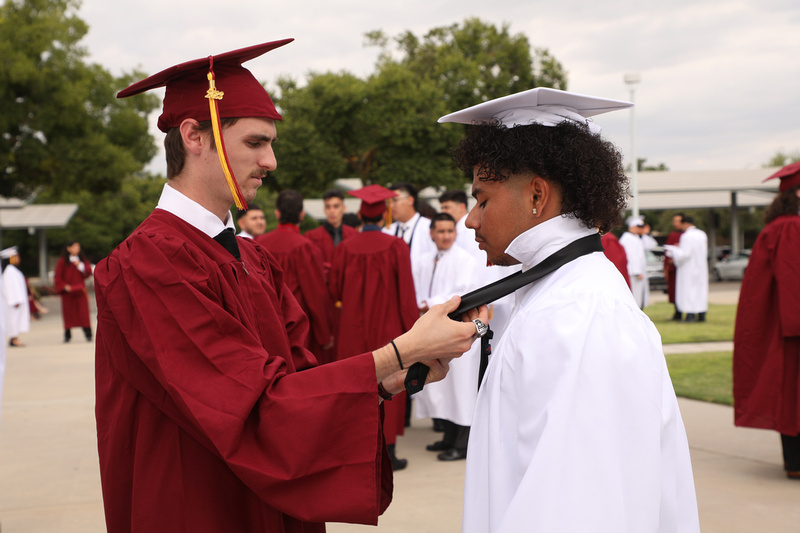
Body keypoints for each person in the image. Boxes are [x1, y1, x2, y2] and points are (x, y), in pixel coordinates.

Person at [94, 41, 486, 532]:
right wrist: (396, 352)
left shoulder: (254, 259)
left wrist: (389, 379)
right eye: (255, 142)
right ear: (195, 135)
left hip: (269, 504)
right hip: (198, 502)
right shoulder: (147, 263)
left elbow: (297, 387)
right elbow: (249, 404)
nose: (272, 160)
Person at [437, 87, 699, 532]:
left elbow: (579, 509)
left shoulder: (577, 313)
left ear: (537, 195)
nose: (470, 220)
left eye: (483, 200)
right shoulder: (556, 291)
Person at [328, 184, 421, 471]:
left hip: (352, 330)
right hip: (388, 330)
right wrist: (413, 332)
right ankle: (387, 451)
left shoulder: (344, 248)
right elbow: (407, 296)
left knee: (356, 383)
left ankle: (355, 451)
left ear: (360, 215)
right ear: (384, 216)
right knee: (388, 383)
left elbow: (335, 291)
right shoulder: (396, 247)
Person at [733, 161, 800, 479]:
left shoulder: (779, 226)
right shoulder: (790, 228)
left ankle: (794, 461)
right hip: (792, 329)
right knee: (792, 395)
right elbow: (792, 280)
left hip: (786, 324)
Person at [412, 213, 480, 461]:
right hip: (431, 329)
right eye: (441, 231)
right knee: (443, 387)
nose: (446, 236)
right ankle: (448, 437)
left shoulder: (464, 260)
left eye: (450, 231)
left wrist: (427, 303)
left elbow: (460, 294)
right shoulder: (424, 259)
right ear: (431, 233)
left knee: (460, 387)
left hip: (455, 329)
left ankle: (462, 443)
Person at [255, 190, 333, 363]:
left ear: (277, 213)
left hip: (265, 325)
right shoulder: (305, 247)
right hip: (298, 329)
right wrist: (325, 336)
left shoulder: (259, 243)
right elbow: (316, 296)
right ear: (302, 214)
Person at [304, 188, 358, 279]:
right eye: (328, 207)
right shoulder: (311, 237)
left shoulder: (354, 235)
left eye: (336, 206)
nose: (332, 211)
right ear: (324, 209)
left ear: (343, 208)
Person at [664, 215, 709, 322]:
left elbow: (684, 254)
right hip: (700, 267)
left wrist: (674, 251)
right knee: (699, 291)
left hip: (688, 268)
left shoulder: (686, 236)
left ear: (684, 224)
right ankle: (701, 314)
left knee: (688, 291)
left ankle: (690, 314)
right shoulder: (702, 234)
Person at [54, 241, 93, 342]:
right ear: (69, 248)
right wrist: (63, 286)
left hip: (80, 290)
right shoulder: (63, 261)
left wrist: (80, 265)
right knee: (68, 314)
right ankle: (67, 335)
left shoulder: (81, 260)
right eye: (75, 247)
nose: (77, 249)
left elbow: (88, 272)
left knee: (83, 314)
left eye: (78, 247)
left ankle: (88, 333)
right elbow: (58, 277)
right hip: (68, 292)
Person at [2, 247, 30, 347]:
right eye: (15, 257)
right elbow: (11, 288)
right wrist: (15, 300)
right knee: (13, 319)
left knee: (16, 319)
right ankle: (14, 339)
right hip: (13, 302)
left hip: (16, 300)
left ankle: (15, 338)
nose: (18, 258)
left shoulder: (12, 270)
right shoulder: (9, 271)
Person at [619, 215, 649, 308]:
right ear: (633, 227)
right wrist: (637, 271)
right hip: (633, 272)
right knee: (634, 294)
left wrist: (645, 234)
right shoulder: (627, 238)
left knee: (638, 294)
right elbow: (631, 256)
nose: (642, 229)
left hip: (637, 271)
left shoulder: (636, 238)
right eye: (640, 227)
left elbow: (651, 245)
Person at [664, 213, 685, 320]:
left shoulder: (686, 235)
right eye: (674, 221)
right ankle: (677, 312)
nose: (676, 223)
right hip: (673, 269)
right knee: (674, 291)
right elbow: (667, 251)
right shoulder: (672, 235)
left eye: (678, 221)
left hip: (683, 269)